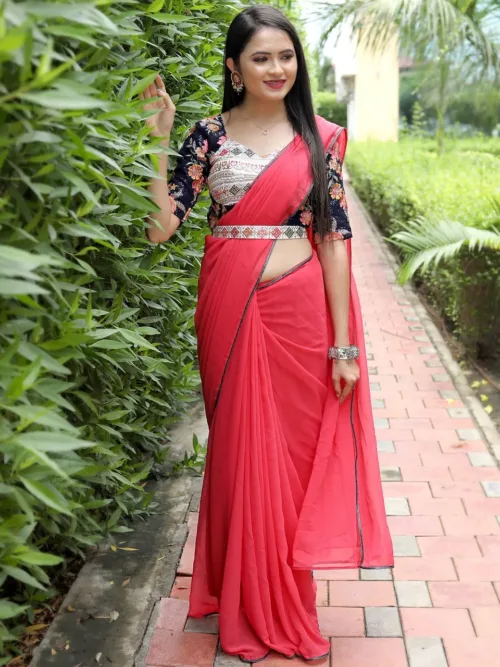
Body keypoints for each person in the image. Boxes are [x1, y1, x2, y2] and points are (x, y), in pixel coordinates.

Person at [140, 4, 393, 663]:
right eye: (261, 57)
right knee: (239, 449)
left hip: (303, 311)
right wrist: (156, 137)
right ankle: (244, 597)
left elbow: (334, 242)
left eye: (286, 56)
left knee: (292, 455)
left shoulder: (323, 141)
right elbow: (162, 227)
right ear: (235, 67)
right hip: (229, 303)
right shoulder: (207, 137)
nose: (276, 68)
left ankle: (283, 597)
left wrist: (345, 345)